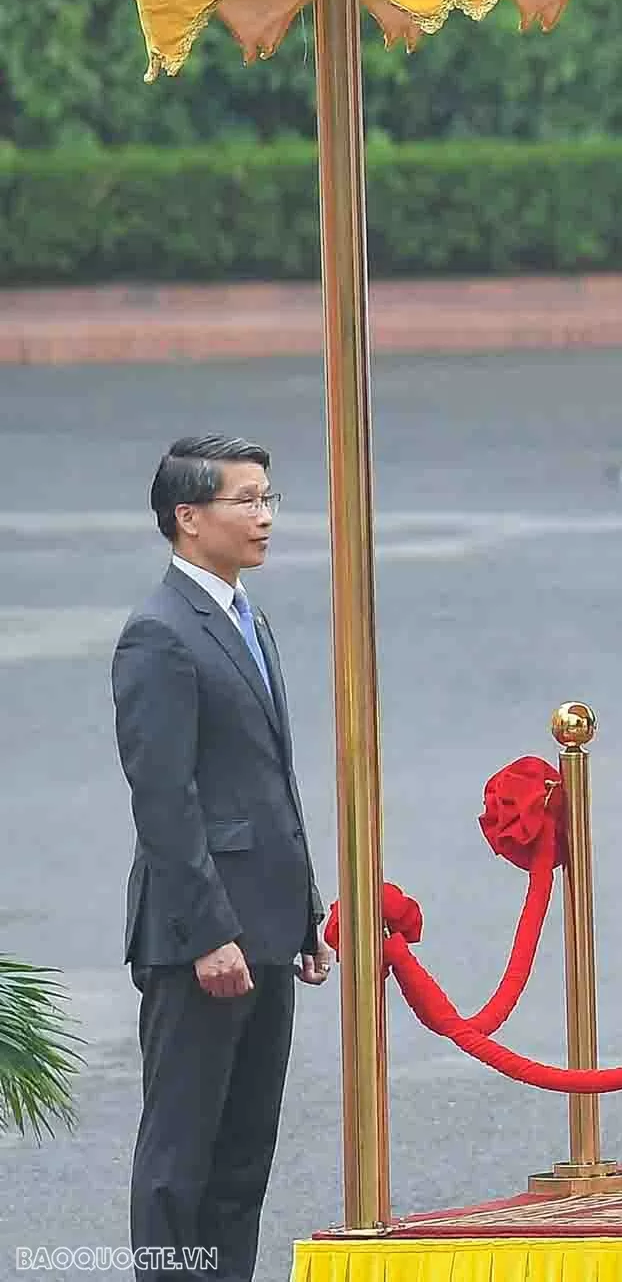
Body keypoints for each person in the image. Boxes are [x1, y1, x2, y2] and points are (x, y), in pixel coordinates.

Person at [118, 434, 327, 1279]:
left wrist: (302, 909)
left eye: (270, 497)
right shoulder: (158, 634)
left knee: (243, 1156)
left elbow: (266, 781)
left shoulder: (248, 617)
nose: (266, 516)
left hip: (267, 925)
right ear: (188, 517)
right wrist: (210, 932)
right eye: (247, 500)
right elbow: (164, 799)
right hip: (201, 938)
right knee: (182, 1156)